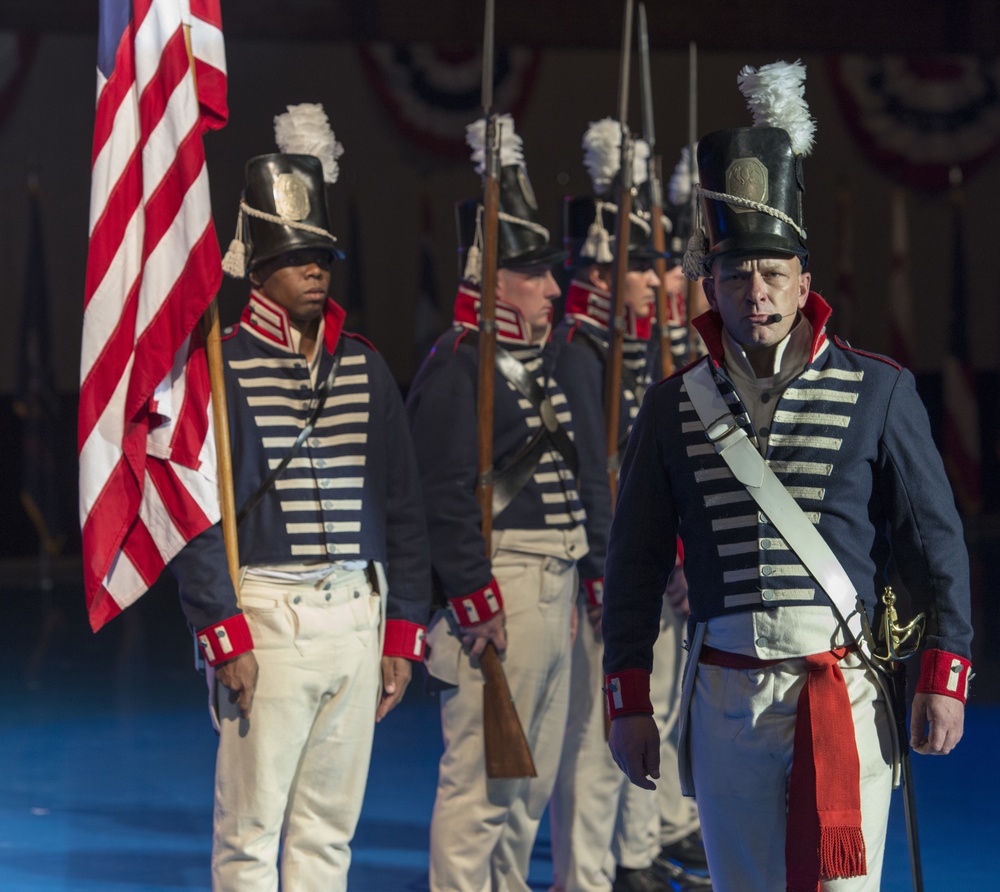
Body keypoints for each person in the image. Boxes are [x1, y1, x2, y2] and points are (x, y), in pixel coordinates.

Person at [601, 62, 973, 892]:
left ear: (806, 284)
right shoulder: (671, 408)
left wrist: (946, 667)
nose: (756, 293)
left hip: (842, 685)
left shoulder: (879, 389)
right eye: (736, 274)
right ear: (712, 286)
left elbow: (933, 541)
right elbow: (633, 566)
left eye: (773, 274)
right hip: (725, 696)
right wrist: (626, 695)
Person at [169, 103, 430, 892]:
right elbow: (195, 512)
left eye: (320, 254)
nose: (315, 268)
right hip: (266, 617)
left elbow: (403, 508)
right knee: (250, 835)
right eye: (295, 255)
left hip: (358, 612)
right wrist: (222, 629)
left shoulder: (365, 367)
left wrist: (402, 632)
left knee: (327, 835)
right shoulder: (219, 365)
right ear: (258, 267)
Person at [407, 114, 588, 892]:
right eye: (535, 273)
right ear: (492, 278)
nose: (554, 287)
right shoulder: (456, 369)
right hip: (502, 592)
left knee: (529, 782)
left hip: (555, 586)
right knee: (481, 786)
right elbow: (443, 493)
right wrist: (475, 594)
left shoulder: (537, 365)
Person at [547, 119, 707, 892]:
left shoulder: (645, 353)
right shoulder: (581, 357)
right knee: (596, 733)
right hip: (606, 570)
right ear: (605, 274)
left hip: (657, 568)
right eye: (642, 267)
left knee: (660, 715)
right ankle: (587, 873)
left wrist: (679, 559)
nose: (662, 280)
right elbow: (594, 475)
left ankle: (636, 851)